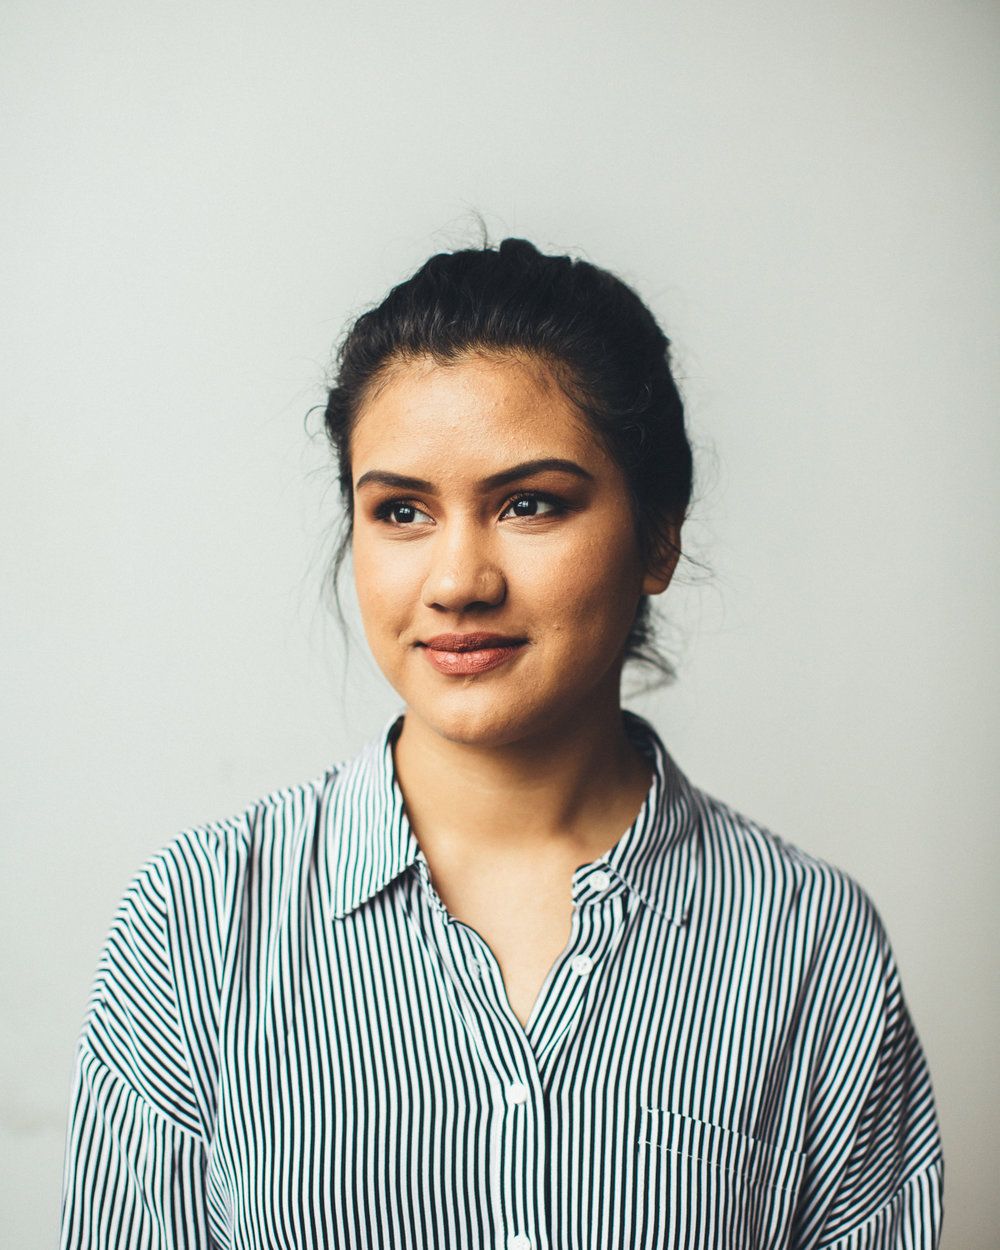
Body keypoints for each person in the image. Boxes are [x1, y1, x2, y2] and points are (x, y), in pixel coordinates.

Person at [59, 238, 944, 1249]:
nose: (457, 580)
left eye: (529, 503)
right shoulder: (199, 920)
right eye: (400, 510)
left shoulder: (808, 943)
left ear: (658, 534)